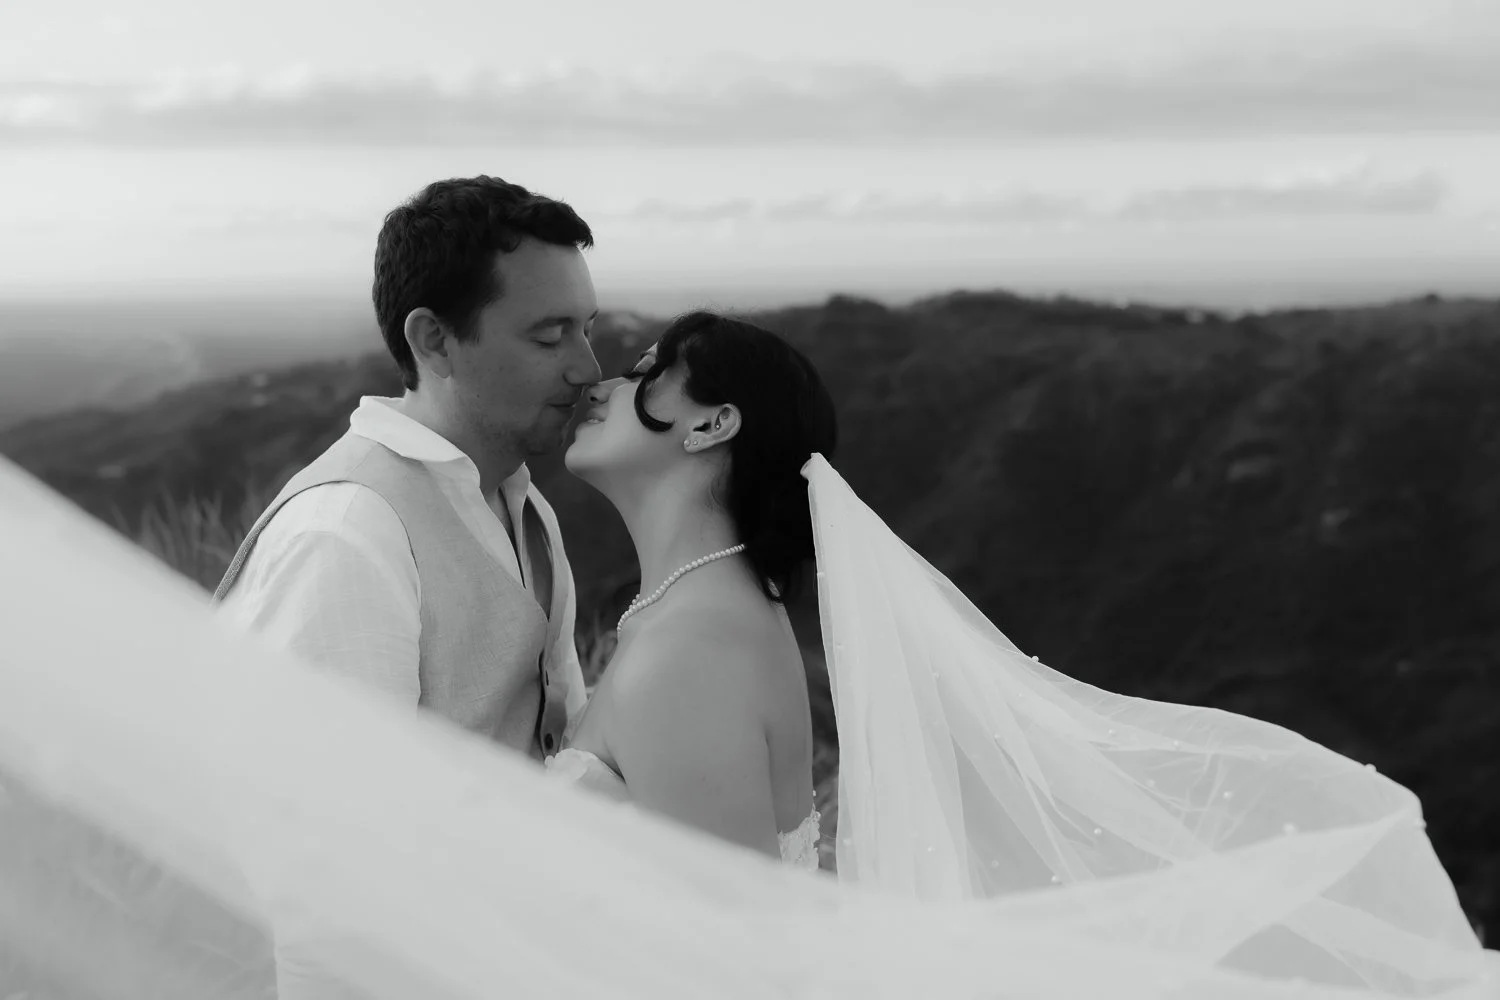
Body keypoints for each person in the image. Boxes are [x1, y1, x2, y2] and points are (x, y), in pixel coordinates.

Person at [215, 175, 601, 762]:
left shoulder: (526, 507)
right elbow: (330, 814)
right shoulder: (345, 534)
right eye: (551, 337)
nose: (589, 369)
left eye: (587, 330)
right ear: (435, 341)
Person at [554, 311, 835, 867]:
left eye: (644, 376)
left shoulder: (689, 651)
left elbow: (734, 937)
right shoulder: (704, 609)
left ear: (711, 425)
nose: (601, 388)